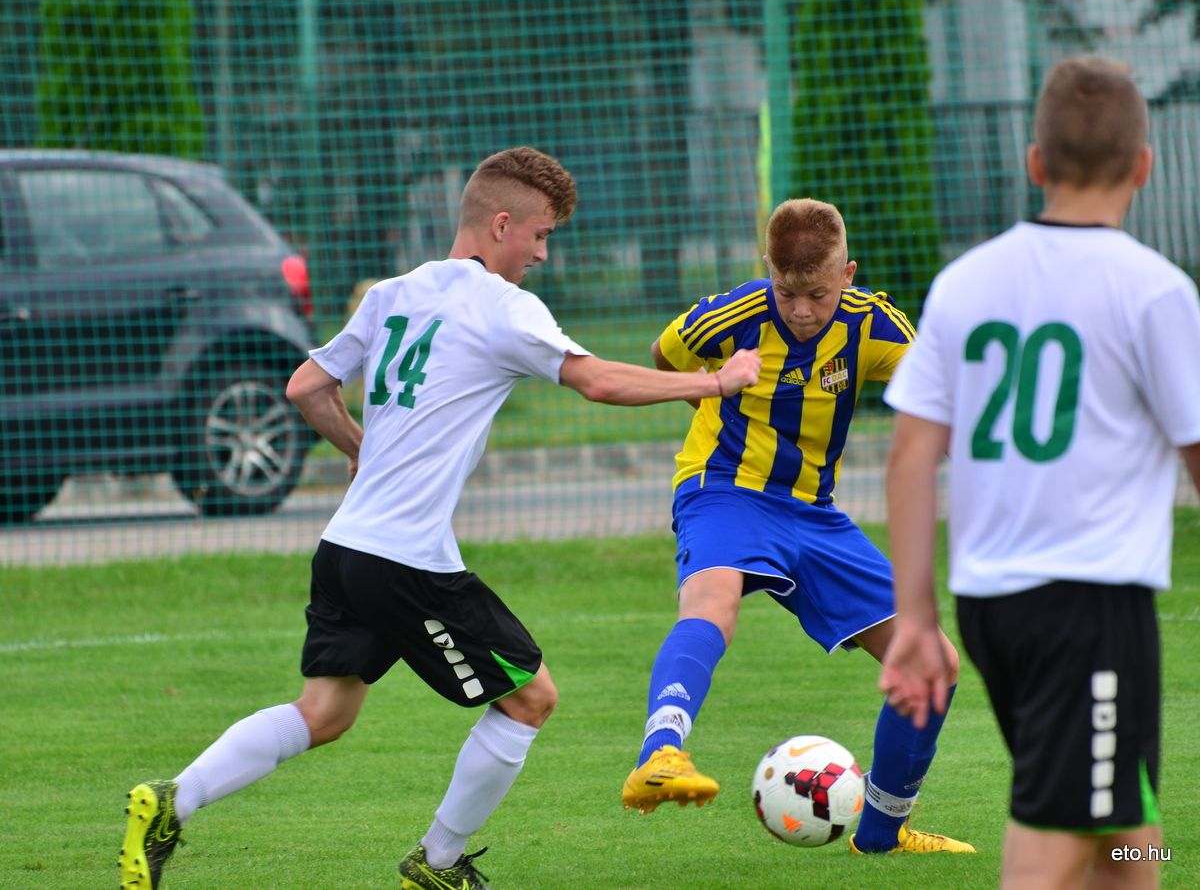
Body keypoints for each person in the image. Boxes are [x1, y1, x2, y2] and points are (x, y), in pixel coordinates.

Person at [117, 146, 762, 890]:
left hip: (344, 549)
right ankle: (440, 861)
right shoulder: (502, 307)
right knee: (531, 699)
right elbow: (597, 381)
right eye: (540, 235)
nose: (543, 255)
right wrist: (716, 382)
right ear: (501, 225)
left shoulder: (393, 292)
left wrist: (360, 449)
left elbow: (306, 388)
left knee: (323, 712)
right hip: (406, 560)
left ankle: (173, 799)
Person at [880, 57, 1200, 890]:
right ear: (1144, 166)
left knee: (1128, 829)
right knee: (1052, 845)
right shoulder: (1155, 290)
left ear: (1035, 162)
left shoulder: (964, 282)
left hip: (992, 603)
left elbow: (910, 453)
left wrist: (917, 616)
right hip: (1088, 608)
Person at [620, 197, 974, 855]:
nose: (802, 310)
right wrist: (717, 391)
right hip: (723, 488)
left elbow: (938, 407)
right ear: (768, 270)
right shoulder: (732, 316)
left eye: (818, 293)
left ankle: (880, 835)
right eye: (786, 292)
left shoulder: (875, 326)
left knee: (935, 663)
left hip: (813, 512)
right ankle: (661, 752)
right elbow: (663, 360)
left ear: (847, 274)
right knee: (713, 602)